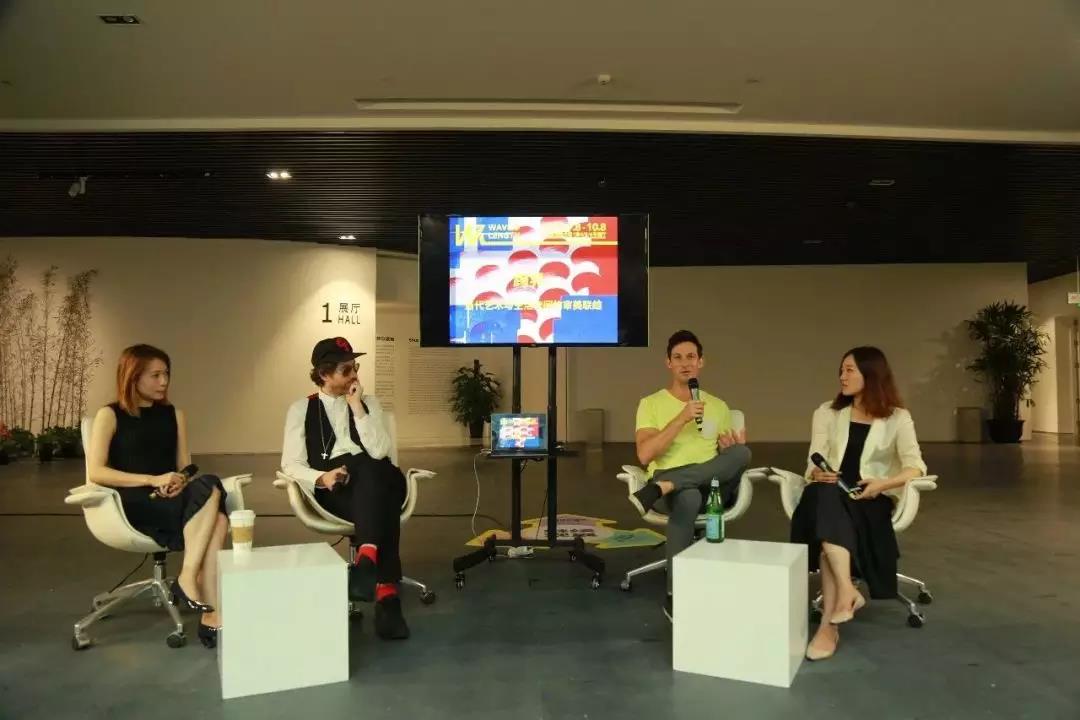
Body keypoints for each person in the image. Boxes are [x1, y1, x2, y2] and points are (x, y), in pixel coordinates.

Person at [86, 344, 229, 649]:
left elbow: (185, 466)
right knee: (215, 503)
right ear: (132, 376)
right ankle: (197, 591)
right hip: (134, 502)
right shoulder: (109, 415)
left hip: (170, 497)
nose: (164, 381)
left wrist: (180, 480)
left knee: (213, 502)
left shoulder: (174, 414)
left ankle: (206, 604)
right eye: (155, 375)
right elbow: (96, 472)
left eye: (166, 374)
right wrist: (152, 479)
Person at [791, 346, 927, 661]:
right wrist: (817, 473)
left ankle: (830, 626)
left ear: (871, 374)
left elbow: (915, 466)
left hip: (869, 498)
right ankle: (845, 593)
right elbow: (813, 461)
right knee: (825, 496)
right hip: (828, 491)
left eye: (849, 370)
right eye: (841, 370)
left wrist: (882, 484)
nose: (842, 376)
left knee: (828, 527)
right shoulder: (827, 412)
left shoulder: (897, 418)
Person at [281, 337, 410, 640]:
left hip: (377, 477)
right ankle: (386, 594)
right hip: (339, 489)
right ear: (324, 374)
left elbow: (380, 451)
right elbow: (291, 463)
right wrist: (321, 478)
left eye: (355, 367)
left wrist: (357, 409)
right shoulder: (301, 409)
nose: (354, 375)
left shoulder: (369, 403)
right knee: (381, 495)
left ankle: (367, 558)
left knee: (372, 468)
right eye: (346, 370)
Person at [631, 330, 751, 621]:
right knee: (689, 497)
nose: (685, 363)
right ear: (668, 363)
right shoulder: (651, 403)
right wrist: (681, 418)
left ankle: (666, 486)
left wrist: (728, 448)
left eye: (691, 357)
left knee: (743, 453)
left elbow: (726, 457)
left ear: (701, 362)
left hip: (710, 483)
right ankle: (675, 595)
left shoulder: (719, 406)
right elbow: (645, 455)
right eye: (678, 357)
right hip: (670, 478)